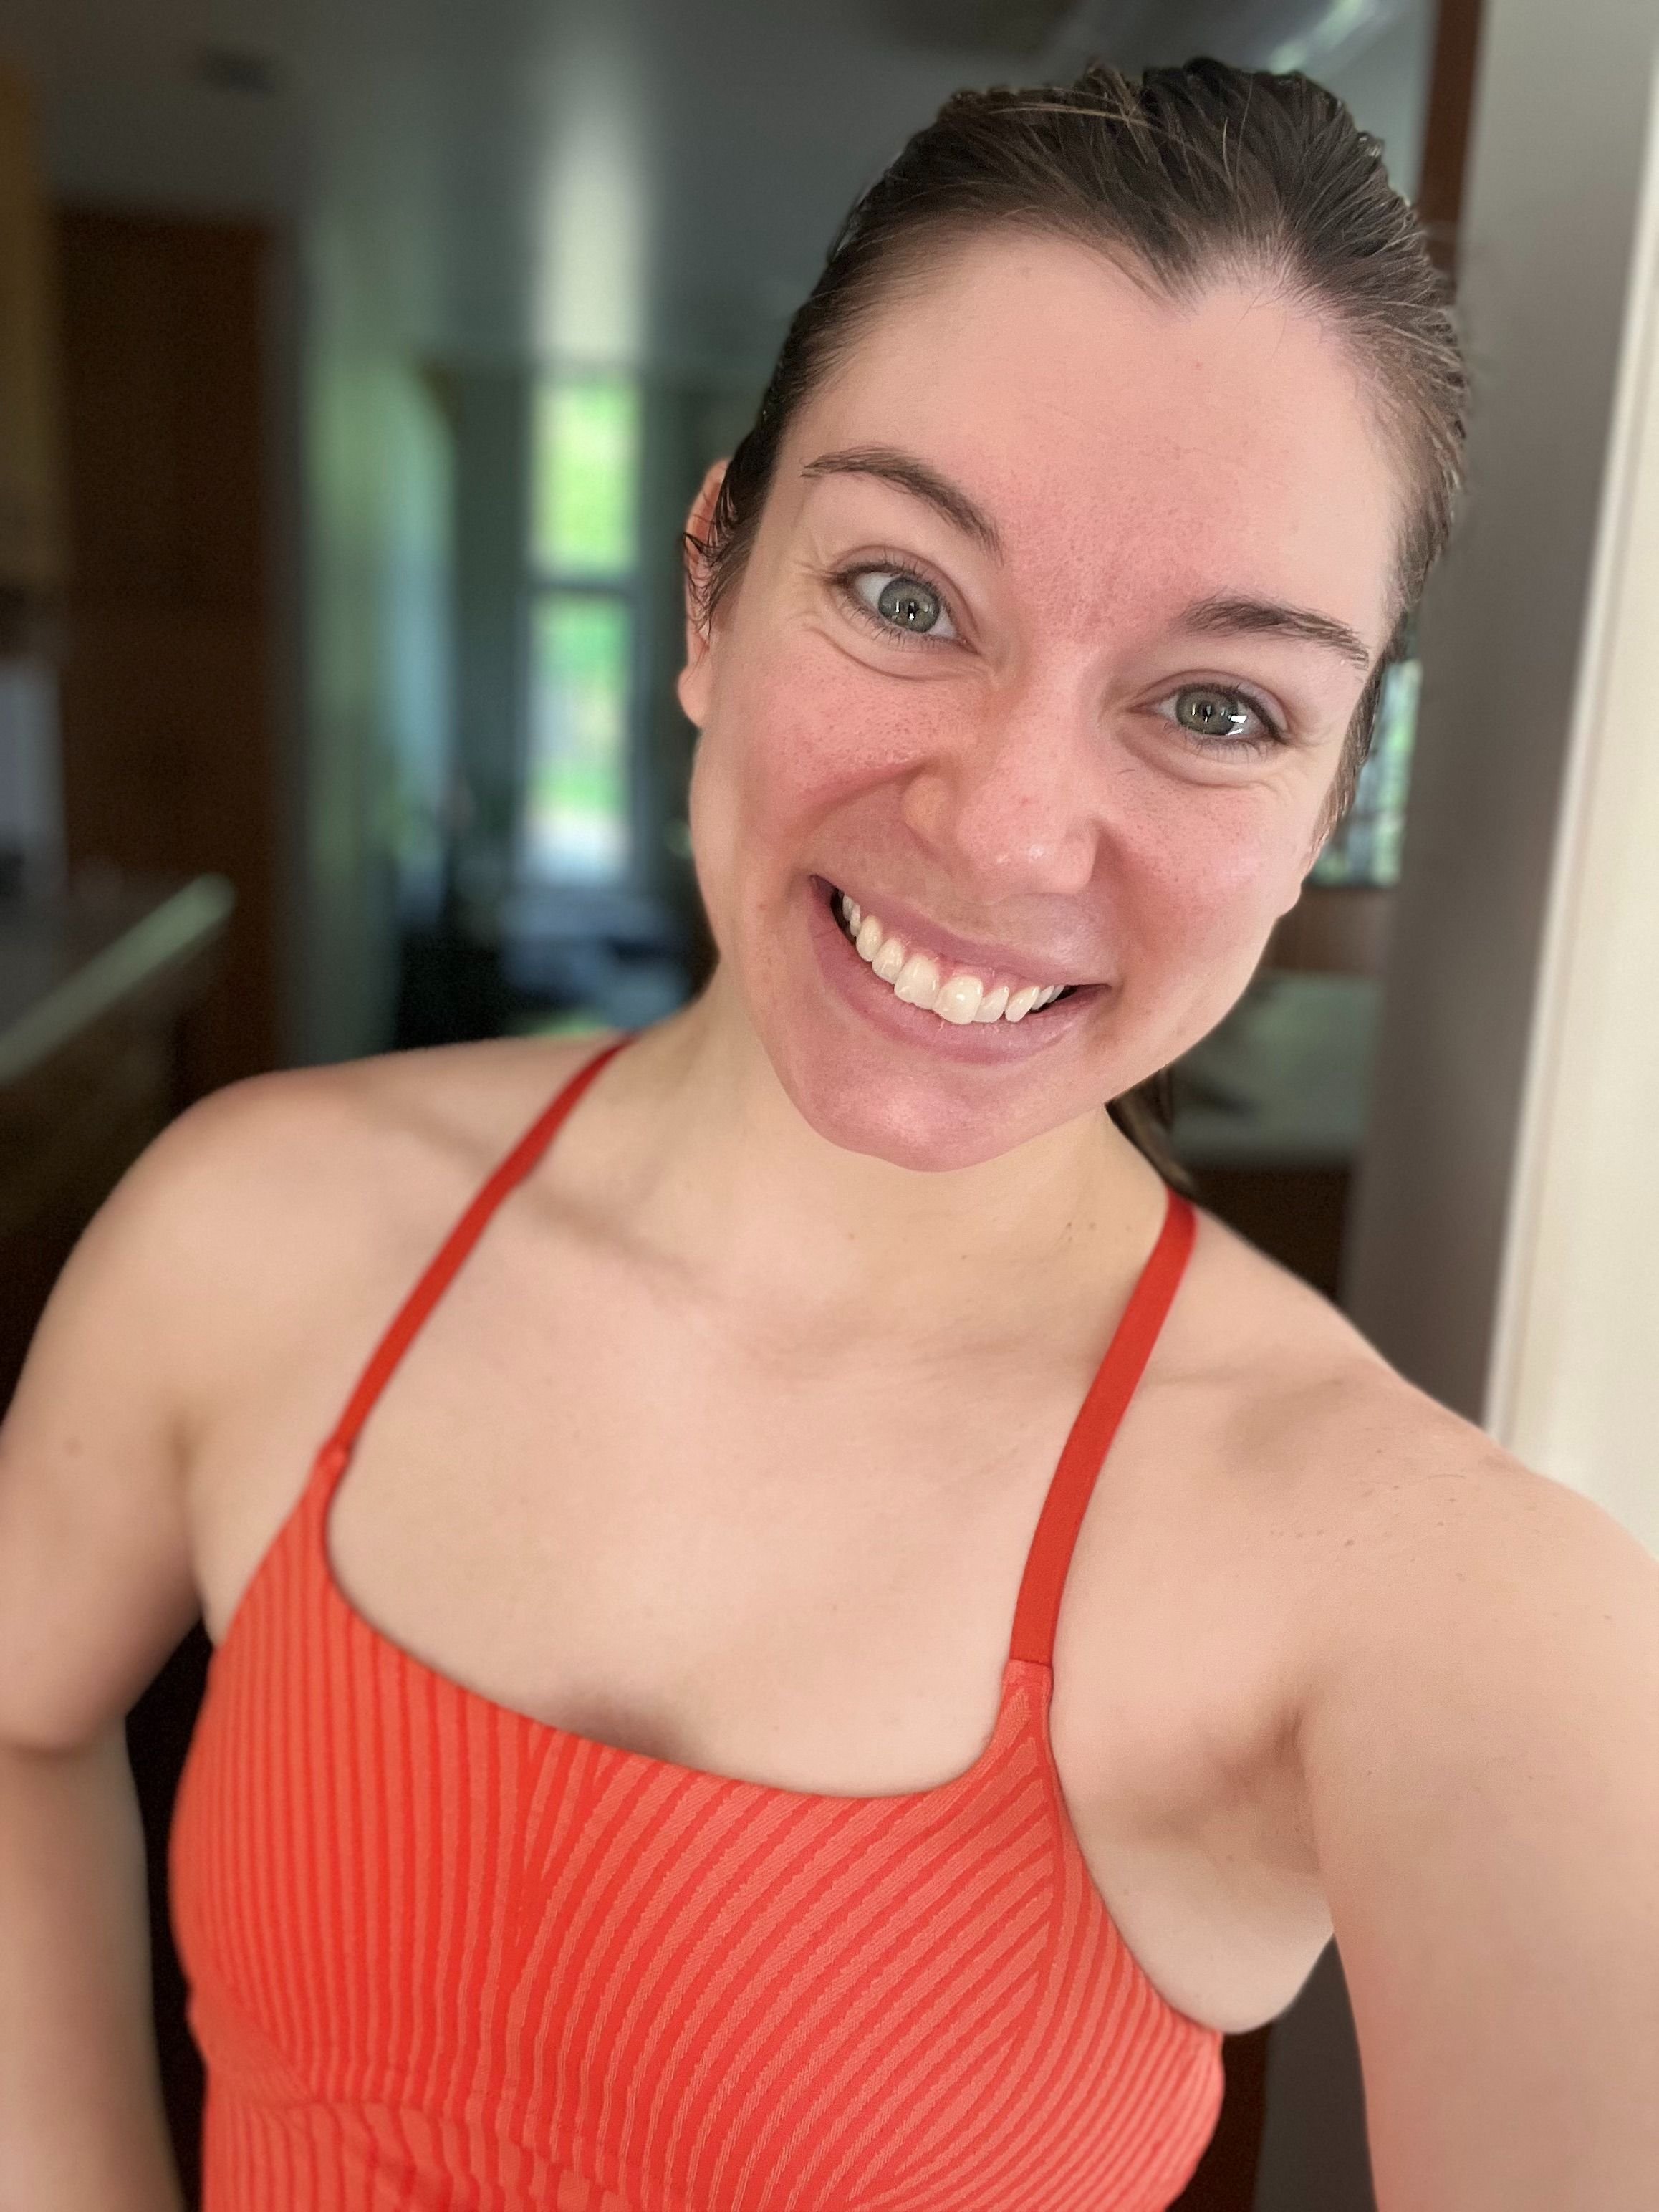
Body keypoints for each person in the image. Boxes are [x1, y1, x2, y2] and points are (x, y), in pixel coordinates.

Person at [2, 55, 1655, 2212]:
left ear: (1324, 808)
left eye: (1219, 705)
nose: (1002, 822)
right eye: (901, 592)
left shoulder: (1437, 1597)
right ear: (709, 585)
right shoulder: (255, 1225)